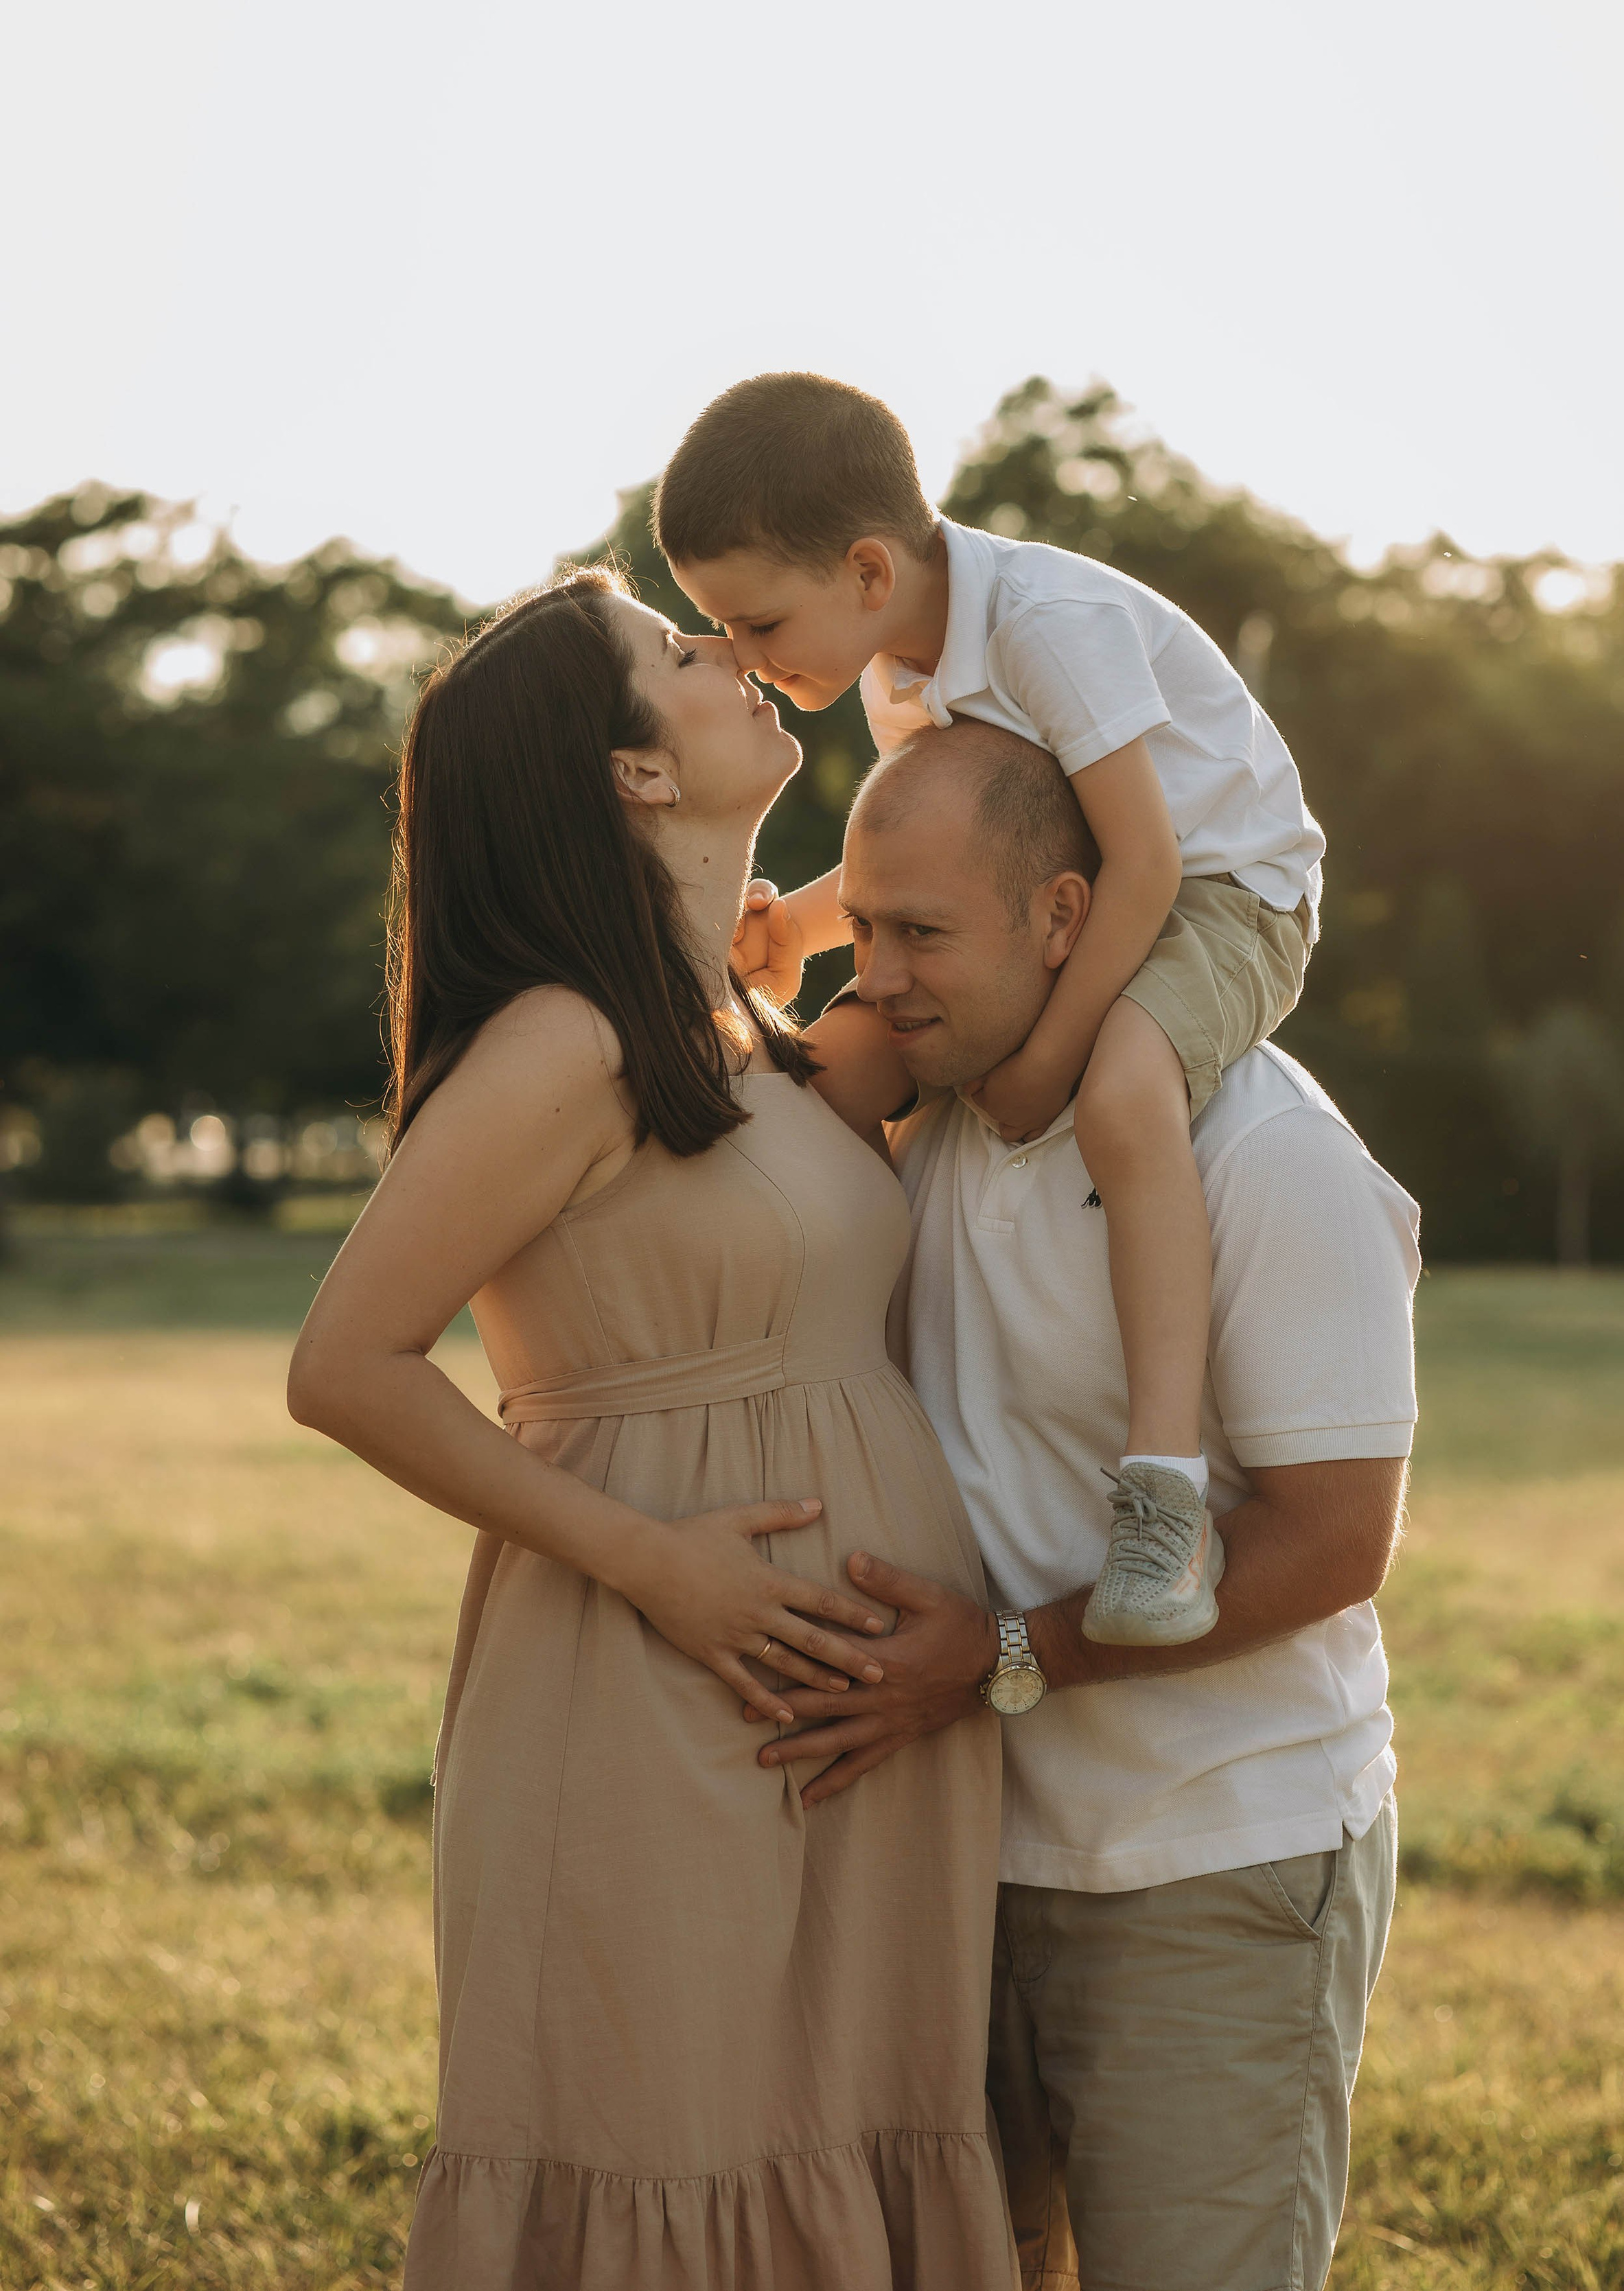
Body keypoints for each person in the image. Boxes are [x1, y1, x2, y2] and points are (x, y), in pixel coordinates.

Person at [286, 570, 1018, 2290]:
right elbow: (346, 1364)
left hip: (841, 1705)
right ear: (631, 770)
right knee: (671, 2156)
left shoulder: (738, 1034)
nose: (730, 652)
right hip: (657, 1687)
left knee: (836, 2128)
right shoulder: (567, 1041)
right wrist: (658, 1569)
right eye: (680, 649)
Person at [743, 719, 1416, 2291]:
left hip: (1207, 1861)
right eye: (864, 926)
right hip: (953, 1856)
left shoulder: (1261, 1149)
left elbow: (1333, 1539)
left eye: (922, 935)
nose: (877, 977)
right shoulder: (925, 1115)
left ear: (1063, 916)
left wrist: (997, 1658)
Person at [657, 371, 1325, 1647]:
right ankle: (825, 1395)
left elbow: (1148, 864)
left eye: (757, 623)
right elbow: (945, 861)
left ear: (867, 570)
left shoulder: (1045, 625)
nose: (741, 658)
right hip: (1051, 903)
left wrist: (1051, 1054)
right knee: (832, 1073)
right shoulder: (894, 664)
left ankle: (1164, 1502)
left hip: (1225, 894)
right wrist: (792, 931)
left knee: (1121, 1097)